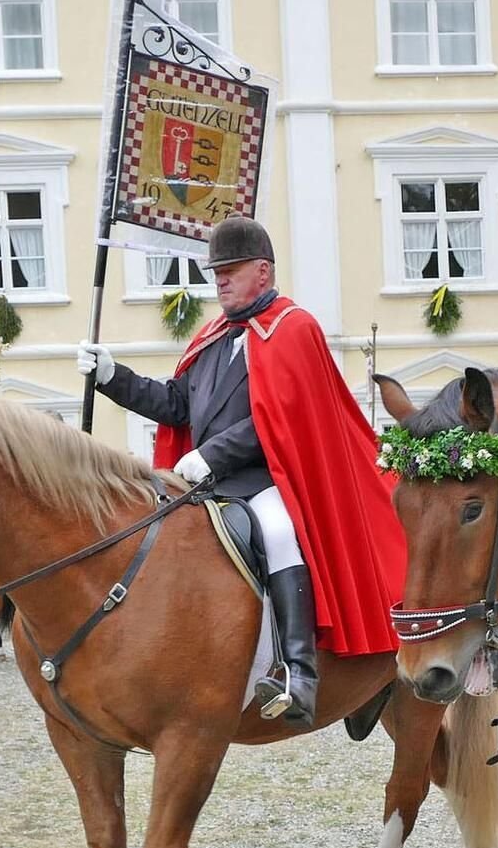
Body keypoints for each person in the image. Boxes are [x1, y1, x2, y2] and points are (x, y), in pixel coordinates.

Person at [76, 217, 404, 725]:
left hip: (270, 478)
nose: (220, 280)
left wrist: (213, 455)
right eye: (217, 272)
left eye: (231, 270)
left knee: (277, 533)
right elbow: (176, 403)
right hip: (208, 484)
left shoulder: (295, 328)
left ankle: (299, 672)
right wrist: (113, 376)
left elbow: (284, 415)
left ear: (264, 272)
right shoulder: (212, 337)